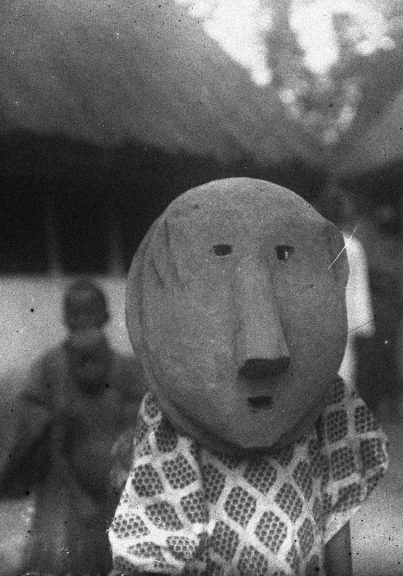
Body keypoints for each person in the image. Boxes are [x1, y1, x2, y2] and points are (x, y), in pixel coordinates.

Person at [109, 178, 388, 575]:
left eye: (284, 256)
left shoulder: (330, 409)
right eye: (219, 254)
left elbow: (336, 518)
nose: (265, 350)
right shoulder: (169, 431)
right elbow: (159, 552)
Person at [0, 278, 144, 576]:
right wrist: (49, 418)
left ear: (104, 322)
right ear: (67, 325)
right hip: (63, 484)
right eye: (78, 327)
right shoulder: (50, 367)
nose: (85, 334)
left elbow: (147, 417)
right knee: (57, 560)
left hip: (117, 486)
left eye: (92, 325)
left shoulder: (126, 368)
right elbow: (28, 417)